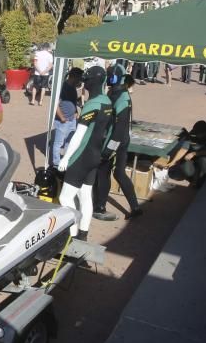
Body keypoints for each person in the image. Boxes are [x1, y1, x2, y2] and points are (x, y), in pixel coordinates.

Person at [56, 66, 114, 240]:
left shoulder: (92, 104)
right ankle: (83, 234)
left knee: (65, 198)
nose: (84, 83)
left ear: (92, 82)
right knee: (85, 196)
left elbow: (79, 135)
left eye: (86, 80)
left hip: (82, 156)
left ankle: (71, 235)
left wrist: (66, 157)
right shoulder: (107, 102)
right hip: (96, 155)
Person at [92, 75, 142, 221]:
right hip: (119, 140)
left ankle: (100, 207)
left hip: (116, 141)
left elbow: (119, 130)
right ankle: (135, 207)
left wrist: (108, 150)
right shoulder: (118, 94)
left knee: (104, 173)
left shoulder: (122, 99)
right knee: (118, 173)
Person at [51, 67, 84, 167]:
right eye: (79, 78)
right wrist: (61, 117)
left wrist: (75, 112)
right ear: (74, 77)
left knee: (70, 142)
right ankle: (56, 163)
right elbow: (55, 103)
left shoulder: (73, 87)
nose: (80, 81)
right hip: (63, 121)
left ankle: (66, 160)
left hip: (72, 120)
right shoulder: (63, 87)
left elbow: (73, 102)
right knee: (58, 143)